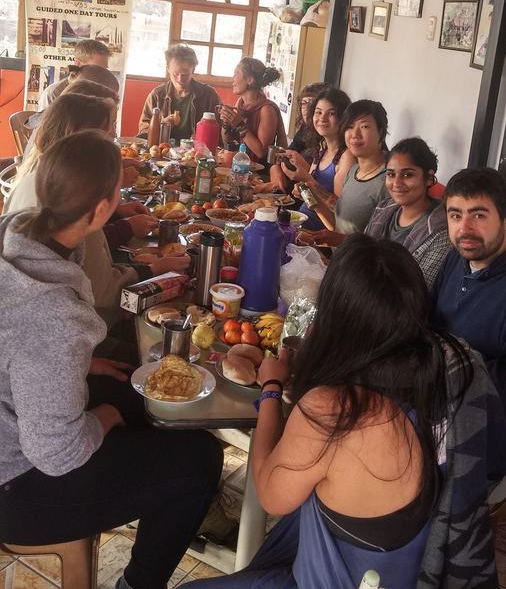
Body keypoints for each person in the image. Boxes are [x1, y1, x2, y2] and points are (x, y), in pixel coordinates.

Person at [191, 235, 506, 588]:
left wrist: (270, 389)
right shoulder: (457, 367)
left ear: (335, 316)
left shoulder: (337, 410)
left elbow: (270, 494)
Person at [0, 131, 223, 589]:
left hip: (15, 422)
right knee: (200, 458)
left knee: (142, 396)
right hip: (17, 486)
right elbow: (55, 452)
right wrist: (102, 416)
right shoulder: (51, 313)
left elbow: (19, 348)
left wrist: (82, 365)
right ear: (101, 210)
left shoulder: (17, 230)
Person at [5, 94, 189, 329]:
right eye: (108, 128)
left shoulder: (43, 178)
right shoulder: (81, 216)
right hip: (84, 326)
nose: (114, 134)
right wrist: (153, 270)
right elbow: (102, 295)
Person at [432, 167, 506, 408]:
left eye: (479, 215)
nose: (464, 229)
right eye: (455, 215)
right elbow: (427, 315)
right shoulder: (458, 257)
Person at [365, 137, 451, 289]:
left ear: (429, 178)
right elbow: (361, 254)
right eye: (391, 174)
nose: (397, 183)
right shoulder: (383, 209)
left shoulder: (441, 232)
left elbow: (416, 290)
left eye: (407, 175)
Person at [277, 88, 354, 231]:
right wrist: (301, 190)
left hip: (319, 233)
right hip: (301, 222)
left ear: (343, 118)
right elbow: (312, 194)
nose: (322, 118)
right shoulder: (321, 148)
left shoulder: (346, 156)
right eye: (318, 112)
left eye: (331, 113)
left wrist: (306, 178)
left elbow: (338, 211)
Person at [138, 43, 220, 142]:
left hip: (196, 153)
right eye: (175, 73)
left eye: (185, 74)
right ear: (168, 69)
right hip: (162, 151)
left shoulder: (208, 95)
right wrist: (161, 126)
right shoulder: (157, 95)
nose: (180, 79)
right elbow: (143, 130)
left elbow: (219, 131)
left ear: (193, 70)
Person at [333, 99, 389, 233]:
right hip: (338, 252)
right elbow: (341, 227)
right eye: (349, 127)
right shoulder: (354, 170)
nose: (355, 135)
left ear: (381, 132)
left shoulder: (390, 180)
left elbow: (378, 243)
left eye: (364, 126)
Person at [219, 57, 287, 165]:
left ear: (250, 80)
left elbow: (261, 152)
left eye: (236, 74)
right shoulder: (240, 103)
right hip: (239, 166)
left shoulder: (266, 110)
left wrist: (240, 124)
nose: (233, 79)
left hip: (259, 174)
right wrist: (226, 124)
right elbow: (228, 143)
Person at [270, 82, 326, 192]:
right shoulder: (305, 129)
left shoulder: (327, 140)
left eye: (311, 103)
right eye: (303, 103)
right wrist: (276, 167)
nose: (306, 108)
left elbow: (324, 185)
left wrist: (304, 167)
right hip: (294, 192)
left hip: (309, 199)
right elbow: (284, 155)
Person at [37, 38, 111, 110]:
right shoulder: (53, 93)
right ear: (78, 63)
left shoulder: (103, 93)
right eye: (97, 69)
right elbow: (45, 122)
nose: (102, 74)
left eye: (105, 70)